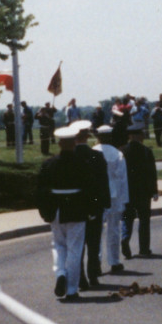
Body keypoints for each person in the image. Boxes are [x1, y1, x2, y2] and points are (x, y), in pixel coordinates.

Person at [36, 126, 92, 301]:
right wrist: (91, 210)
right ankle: (72, 289)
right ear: (74, 142)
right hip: (76, 209)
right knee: (75, 249)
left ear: (60, 143)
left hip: (56, 210)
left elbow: (40, 190)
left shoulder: (49, 164)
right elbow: (90, 189)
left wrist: (45, 211)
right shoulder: (83, 163)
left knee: (59, 246)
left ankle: (60, 273)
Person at [70, 122, 109, 290]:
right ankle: (93, 275)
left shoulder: (69, 157)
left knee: (77, 245)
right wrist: (104, 203)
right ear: (87, 136)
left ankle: (80, 279)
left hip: (75, 206)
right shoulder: (97, 156)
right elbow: (103, 183)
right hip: (94, 205)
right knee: (93, 243)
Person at [93, 125, 129, 273]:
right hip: (113, 194)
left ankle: (96, 263)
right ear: (110, 137)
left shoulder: (93, 151)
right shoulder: (117, 154)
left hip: (96, 195)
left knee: (96, 231)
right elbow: (122, 178)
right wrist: (124, 200)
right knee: (114, 230)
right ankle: (114, 261)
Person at [120, 123, 158, 259]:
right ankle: (144, 248)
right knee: (144, 220)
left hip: (128, 191)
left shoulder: (122, 151)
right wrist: (154, 190)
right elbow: (152, 173)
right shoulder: (146, 151)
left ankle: (125, 237)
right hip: (143, 191)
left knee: (127, 218)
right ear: (139, 136)